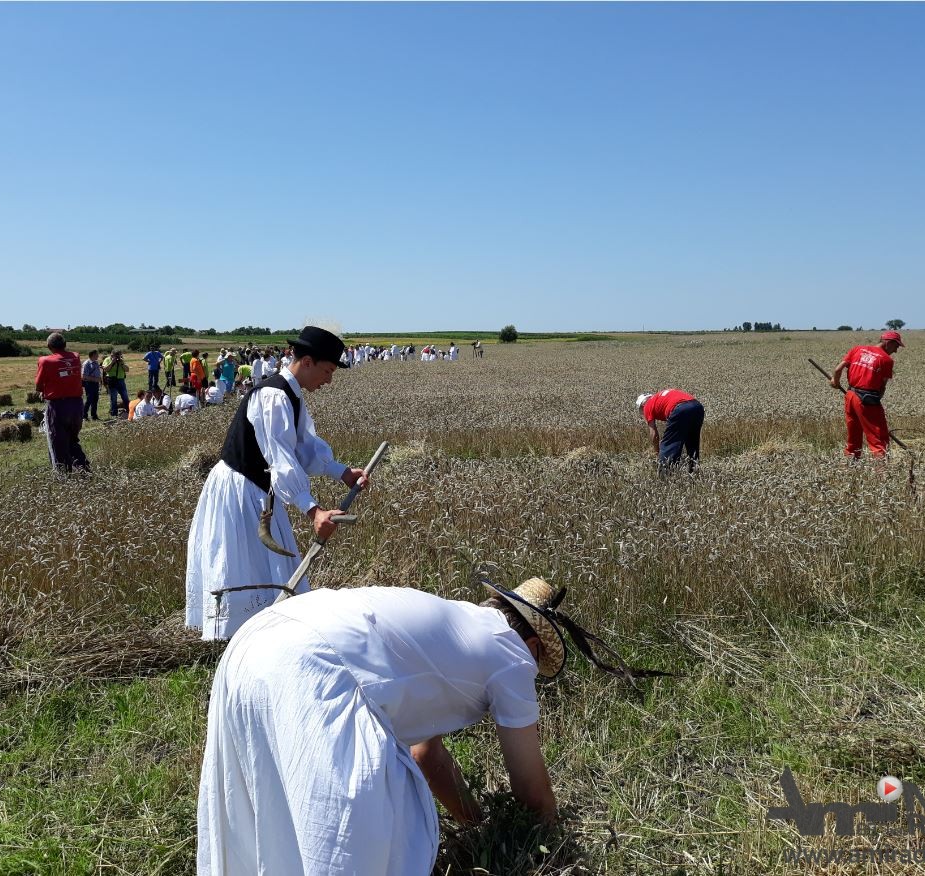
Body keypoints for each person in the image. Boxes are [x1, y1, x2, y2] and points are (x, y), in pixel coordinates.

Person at [198, 574, 638, 875]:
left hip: (259, 638)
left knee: (267, 811)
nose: (533, 670)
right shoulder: (511, 656)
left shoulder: (456, 625)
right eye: (538, 660)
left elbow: (426, 753)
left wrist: (476, 821)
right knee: (354, 845)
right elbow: (531, 787)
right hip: (315, 663)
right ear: (532, 643)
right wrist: (546, 837)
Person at [185, 326, 366, 641]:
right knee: (242, 562)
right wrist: (313, 511)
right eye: (327, 370)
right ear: (307, 362)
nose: (329, 380)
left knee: (265, 563)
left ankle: (261, 636)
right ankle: (236, 642)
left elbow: (303, 447)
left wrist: (341, 471)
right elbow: (279, 458)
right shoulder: (273, 396)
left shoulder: (290, 395)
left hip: (257, 489)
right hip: (240, 489)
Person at [831, 330, 905, 459]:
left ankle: (850, 465)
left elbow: (838, 369)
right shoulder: (886, 360)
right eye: (896, 346)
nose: (896, 350)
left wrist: (835, 381)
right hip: (867, 399)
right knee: (878, 439)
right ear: (888, 343)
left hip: (850, 395)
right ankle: (882, 473)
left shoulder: (857, 349)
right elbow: (882, 387)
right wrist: (874, 405)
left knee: (853, 437)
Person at [35, 333, 89, 473]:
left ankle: (63, 477)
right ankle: (84, 471)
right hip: (77, 405)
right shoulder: (75, 357)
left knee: (57, 443)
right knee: (72, 441)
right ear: (65, 344)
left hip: (58, 406)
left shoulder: (45, 361)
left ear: (48, 346)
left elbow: (38, 386)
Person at [637, 388, 705, 475]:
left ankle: (665, 477)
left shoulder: (647, 406)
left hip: (680, 409)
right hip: (697, 407)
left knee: (668, 445)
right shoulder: (659, 397)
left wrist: (657, 452)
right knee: (692, 444)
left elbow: (654, 434)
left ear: (642, 405)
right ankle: (695, 474)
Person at [101, 350, 130, 417]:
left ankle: (129, 411)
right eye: (116, 355)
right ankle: (114, 413)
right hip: (112, 381)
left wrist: (122, 364)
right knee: (113, 398)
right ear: (112, 355)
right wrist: (112, 362)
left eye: (119, 355)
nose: (117, 357)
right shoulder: (107, 359)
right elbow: (105, 369)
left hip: (121, 381)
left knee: (125, 397)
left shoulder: (121, 361)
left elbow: (127, 370)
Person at [81, 350, 103, 421]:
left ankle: (94, 416)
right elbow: (84, 376)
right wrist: (95, 379)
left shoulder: (96, 363)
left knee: (95, 400)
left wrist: (99, 379)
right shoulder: (86, 364)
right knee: (89, 400)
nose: (98, 356)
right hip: (89, 384)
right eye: (97, 354)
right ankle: (84, 416)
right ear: (93, 355)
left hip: (95, 384)